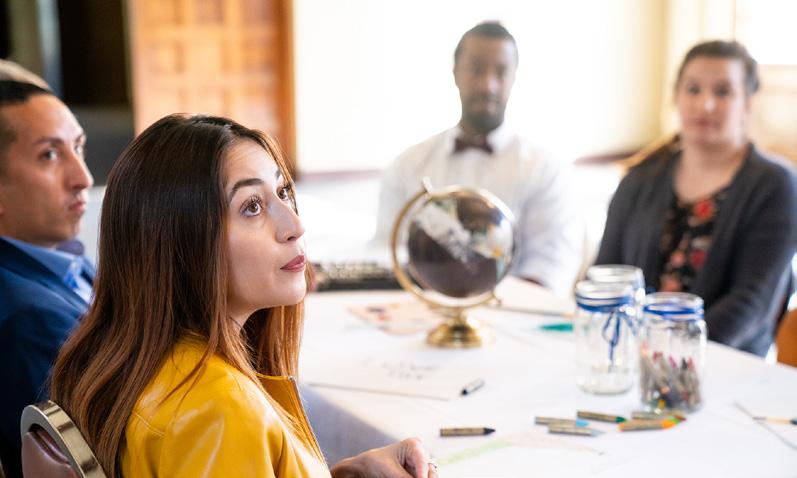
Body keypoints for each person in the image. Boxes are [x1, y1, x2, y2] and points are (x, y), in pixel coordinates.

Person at [50, 114, 435, 477]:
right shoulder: (219, 409)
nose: (294, 225)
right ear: (182, 242)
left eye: (283, 192)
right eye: (252, 207)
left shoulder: (129, 362)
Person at [595, 40, 797, 356]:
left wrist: (671, 357)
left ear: (746, 102)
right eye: (693, 89)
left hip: (725, 364)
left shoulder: (776, 185)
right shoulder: (638, 179)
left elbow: (751, 303)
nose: (706, 105)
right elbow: (606, 276)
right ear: (676, 96)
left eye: (723, 92)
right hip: (629, 358)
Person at [374, 22, 581, 295]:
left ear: (514, 77)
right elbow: (386, 256)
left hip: (514, 316)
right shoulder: (407, 165)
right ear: (455, 73)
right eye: (476, 69)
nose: (488, 85)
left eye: (501, 72)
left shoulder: (546, 170)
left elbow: (550, 270)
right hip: (417, 311)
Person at [0, 80, 94, 477]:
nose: (83, 177)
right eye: (50, 154)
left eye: (79, 147)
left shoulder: (67, 260)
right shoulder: (26, 318)